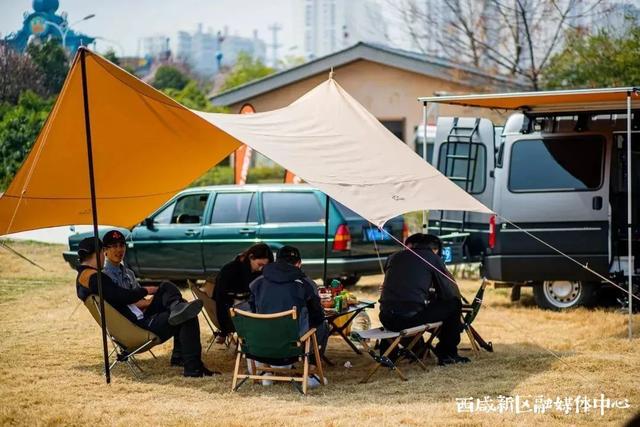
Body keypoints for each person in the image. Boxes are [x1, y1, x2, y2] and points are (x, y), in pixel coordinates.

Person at [75, 236, 216, 377]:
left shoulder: (85, 277)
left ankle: (176, 310)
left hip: (134, 322)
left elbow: (119, 296)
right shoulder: (95, 278)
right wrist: (146, 290)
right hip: (138, 326)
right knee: (186, 316)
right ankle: (193, 368)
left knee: (168, 290)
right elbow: (123, 296)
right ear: (99, 252)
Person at [378, 233, 469, 365]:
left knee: (395, 305)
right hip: (409, 319)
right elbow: (447, 294)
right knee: (453, 304)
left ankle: (388, 354)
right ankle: (448, 353)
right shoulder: (431, 258)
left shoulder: (393, 257)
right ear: (434, 248)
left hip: (385, 318)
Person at [249, 245, 328, 354]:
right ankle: (312, 365)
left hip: (264, 337)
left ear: (277, 261)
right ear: (299, 263)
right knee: (322, 324)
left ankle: (267, 367)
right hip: (293, 340)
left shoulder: (258, 282)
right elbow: (317, 314)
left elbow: (252, 308)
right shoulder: (306, 283)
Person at [212, 243, 273, 343]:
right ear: (251, 257)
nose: (261, 269)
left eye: (265, 266)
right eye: (260, 265)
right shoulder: (230, 270)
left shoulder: (260, 273)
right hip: (232, 310)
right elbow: (220, 300)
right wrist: (224, 329)